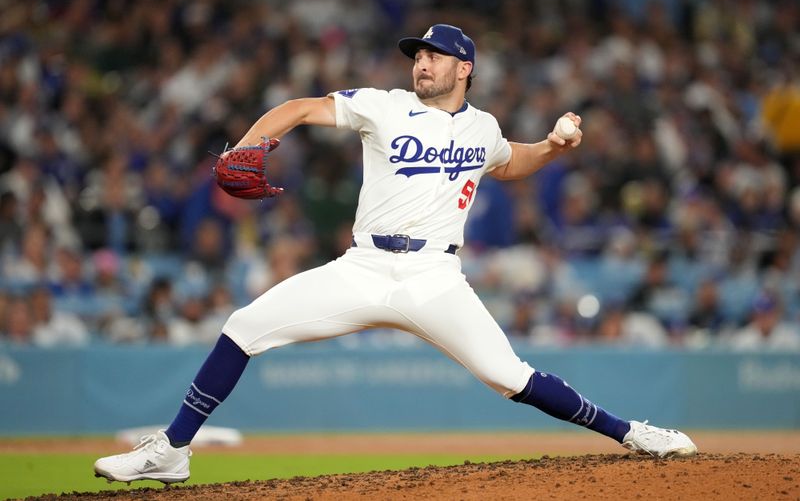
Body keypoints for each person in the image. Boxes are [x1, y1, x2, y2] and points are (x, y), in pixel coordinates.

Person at [94, 24, 697, 484]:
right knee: (244, 326)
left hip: (433, 275)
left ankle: (632, 433)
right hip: (361, 268)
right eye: (417, 55)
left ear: (464, 67)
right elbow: (302, 108)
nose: (421, 63)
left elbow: (513, 162)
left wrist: (554, 145)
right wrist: (254, 143)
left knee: (508, 376)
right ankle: (172, 451)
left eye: (433, 55)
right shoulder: (383, 105)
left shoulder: (481, 127)